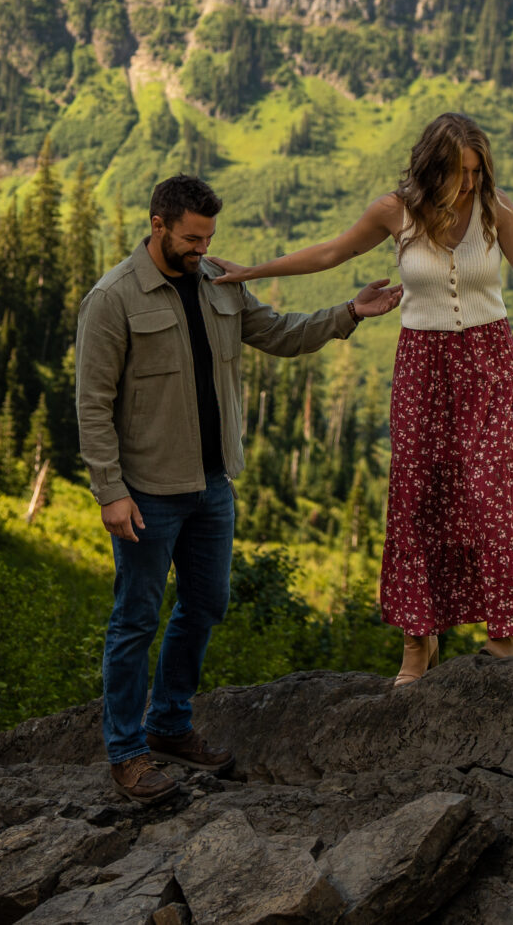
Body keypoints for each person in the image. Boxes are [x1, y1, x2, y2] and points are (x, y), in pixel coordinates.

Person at [213, 111, 513, 685]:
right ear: (434, 168)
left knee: (490, 493)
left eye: (478, 172)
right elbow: (331, 253)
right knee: (416, 497)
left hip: (489, 364)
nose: (471, 183)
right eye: (461, 172)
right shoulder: (395, 211)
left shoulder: (496, 210)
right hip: (423, 366)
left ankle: (501, 640)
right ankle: (417, 643)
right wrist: (250, 271)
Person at [75, 172, 402, 803]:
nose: (203, 249)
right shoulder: (112, 298)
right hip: (146, 493)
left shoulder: (220, 283)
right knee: (135, 620)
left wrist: (349, 313)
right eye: (192, 238)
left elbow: (278, 334)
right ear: (158, 225)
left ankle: (169, 725)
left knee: (206, 606)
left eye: (209, 237)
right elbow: (92, 404)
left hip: (212, 486)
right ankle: (126, 754)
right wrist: (109, 490)